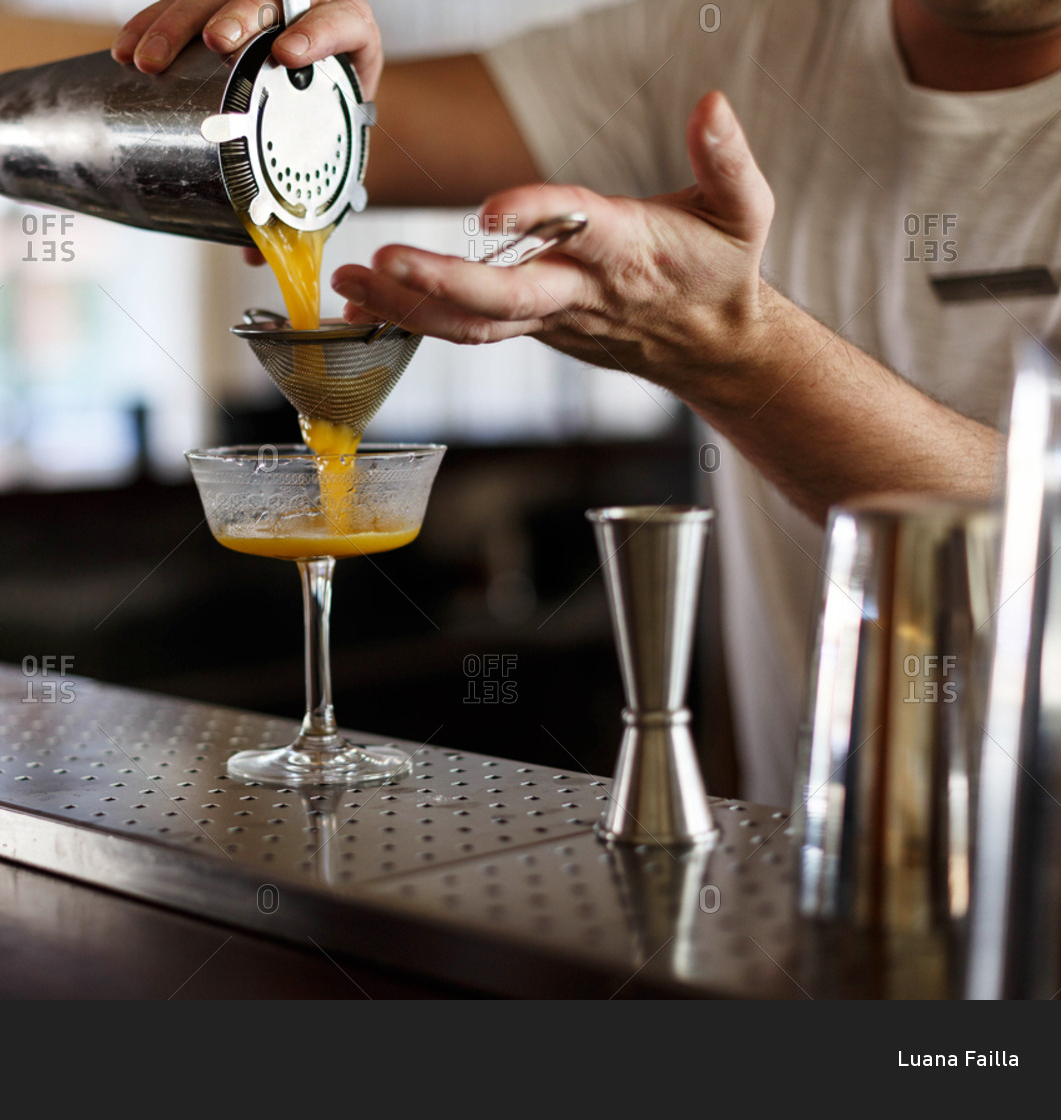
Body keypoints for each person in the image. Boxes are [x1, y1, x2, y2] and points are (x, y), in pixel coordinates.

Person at [112, 0, 1061, 805]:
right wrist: (261, 71)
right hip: (802, 873)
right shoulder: (749, 35)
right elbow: (359, 128)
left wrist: (734, 354)